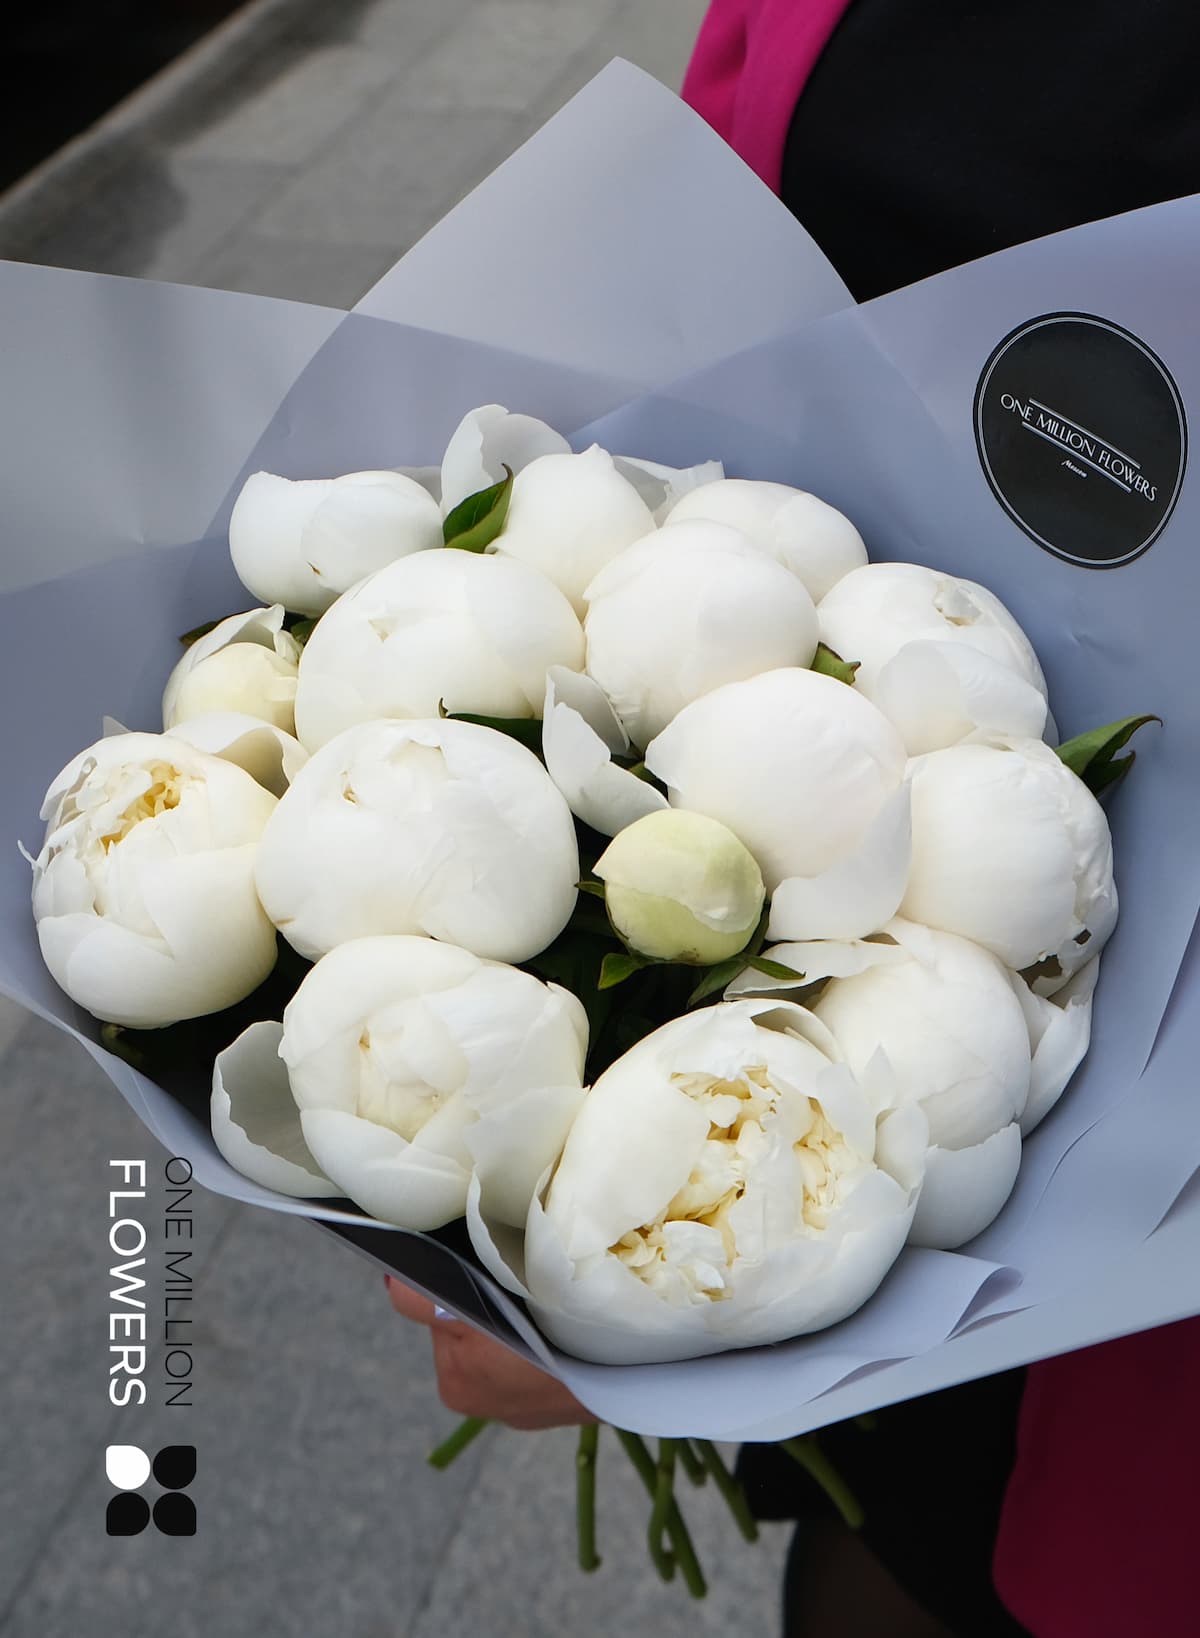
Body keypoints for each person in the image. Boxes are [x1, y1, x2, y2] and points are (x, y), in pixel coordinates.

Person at [388, 5, 1200, 1632]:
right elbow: (740, 214)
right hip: (858, 1061)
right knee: (894, 1540)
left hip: (1144, 1286)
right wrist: (586, 1229)